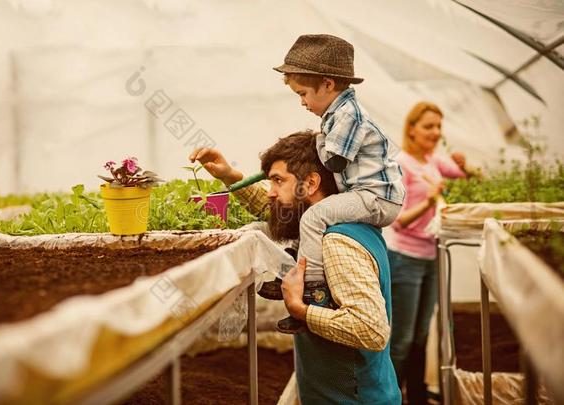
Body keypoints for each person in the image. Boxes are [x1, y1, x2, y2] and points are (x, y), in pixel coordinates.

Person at [189, 131, 401, 404]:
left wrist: (300, 309)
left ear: (310, 183)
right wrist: (229, 175)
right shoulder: (326, 226)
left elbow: (371, 330)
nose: (271, 193)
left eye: (278, 181)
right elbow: (277, 211)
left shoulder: (336, 242)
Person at [260, 34, 405, 333]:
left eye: (303, 93)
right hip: (363, 191)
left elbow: (333, 161)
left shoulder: (349, 115)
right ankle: (296, 264)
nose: (302, 102)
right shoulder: (335, 114)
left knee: (315, 214)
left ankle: (313, 290)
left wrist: (318, 139)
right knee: (310, 215)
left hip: (376, 197)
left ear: (327, 84)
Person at [387, 102, 468, 404]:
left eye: (438, 126)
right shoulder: (402, 164)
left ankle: (418, 396)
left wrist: (466, 166)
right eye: (428, 126)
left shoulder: (433, 160)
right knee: (403, 338)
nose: (435, 132)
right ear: (411, 128)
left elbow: (469, 178)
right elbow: (399, 221)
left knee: (422, 335)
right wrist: (430, 201)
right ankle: (390, 397)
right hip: (405, 259)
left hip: (432, 258)